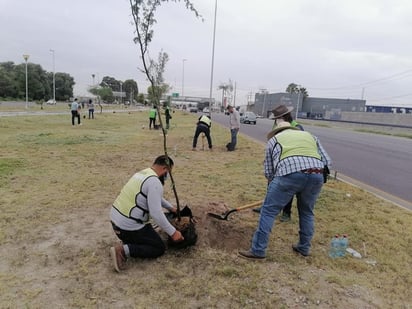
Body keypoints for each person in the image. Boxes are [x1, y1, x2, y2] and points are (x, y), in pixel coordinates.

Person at [239, 106, 331, 259]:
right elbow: (327, 161)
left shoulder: (274, 140)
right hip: (316, 174)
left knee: (268, 211)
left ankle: (258, 250)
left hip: (290, 174)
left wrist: (276, 188)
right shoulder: (310, 136)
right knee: (307, 212)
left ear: (276, 131)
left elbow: (269, 172)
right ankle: (304, 247)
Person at [109, 155, 184, 272]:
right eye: (169, 172)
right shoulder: (155, 182)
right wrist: (173, 233)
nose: (168, 176)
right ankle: (123, 250)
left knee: (149, 231)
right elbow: (156, 214)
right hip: (128, 227)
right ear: (165, 169)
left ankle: (129, 240)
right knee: (158, 247)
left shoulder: (142, 174)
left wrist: (171, 208)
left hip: (116, 223)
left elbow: (154, 196)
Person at [253, 105, 304, 222]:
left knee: (288, 187)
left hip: (290, 162)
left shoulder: (296, 127)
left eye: (277, 118)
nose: (275, 120)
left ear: (283, 116)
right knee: (271, 185)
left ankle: (286, 212)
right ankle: (267, 207)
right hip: (277, 160)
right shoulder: (277, 125)